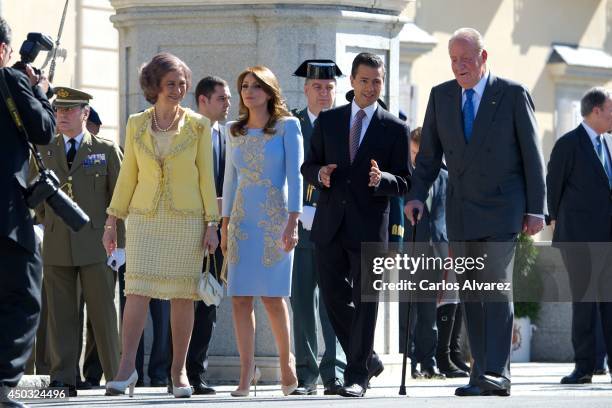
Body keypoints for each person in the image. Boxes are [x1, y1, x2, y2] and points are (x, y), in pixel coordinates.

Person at [404, 27, 546, 397]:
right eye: (453, 60)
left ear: (484, 58)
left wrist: (536, 209)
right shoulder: (441, 96)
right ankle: (480, 372)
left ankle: (497, 372)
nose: (459, 67)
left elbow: (533, 157)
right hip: (462, 210)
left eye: (466, 59)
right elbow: (429, 158)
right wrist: (416, 196)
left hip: (504, 208)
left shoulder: (511, 94)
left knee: (495, 288)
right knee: (470, 291)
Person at [103, 52, 219, 399]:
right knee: (136, 292)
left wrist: (212, 223)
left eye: (182, 83)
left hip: (185, 220)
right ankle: (126, 368)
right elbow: (127, 176)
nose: (178, 89)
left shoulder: (199, 125)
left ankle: (178, 371)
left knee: (183, 296)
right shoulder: (136, 122)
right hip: (143, 219)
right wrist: (112, 221)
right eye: (171, 84)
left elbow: (205, 178)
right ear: (154, 86)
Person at [301, 52, 410, 398]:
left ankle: (357, 375)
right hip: (330, 224)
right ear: (351, 81)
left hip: (369, 228)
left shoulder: (395, 128)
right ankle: (367, 358)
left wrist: (384, 180)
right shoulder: (329, 121)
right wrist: (320, 175)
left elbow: (406, 181)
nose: (370, 87)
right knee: (333, 298)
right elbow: (308, 166)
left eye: (376, 81)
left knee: (367, 301)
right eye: (364, 80)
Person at [221, 65, 302, 397]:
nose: (249, 91)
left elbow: (296, 177)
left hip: (274, 220)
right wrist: (224, 225)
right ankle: (245, 374)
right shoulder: (233, 130)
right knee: (239, 299)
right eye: (244, 86)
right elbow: (229, 180)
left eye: (256, 85)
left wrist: (293, 221)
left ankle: (287, 366)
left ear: (269, 91)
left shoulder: (287, 126)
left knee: (273, 297)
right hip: (241, 222)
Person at [36, 87, 123, 397]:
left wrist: (121, 245)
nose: (62, 115)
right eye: (58, 110)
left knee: (103, 314)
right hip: (58, 244)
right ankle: (63, 377)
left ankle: (116, 375)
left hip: (97, 244)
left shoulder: (105, 149)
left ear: (85, 113)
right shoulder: (44, 150)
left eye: (69, 110)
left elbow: (120, 201)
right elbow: (35, 200)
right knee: (61, 316)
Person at [0, 16, 55, 407]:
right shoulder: (11, 80)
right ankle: (3, 383)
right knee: (23, 295)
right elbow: (43, 130)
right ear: (3, 50)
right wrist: (40, 92)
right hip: (6, 216)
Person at [547, 87, 612, 385]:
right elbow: (554, 186)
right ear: (596, 111)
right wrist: (553, 220)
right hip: (580, 239)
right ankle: (584, 367)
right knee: (585, 306)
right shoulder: (568, 144)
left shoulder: (609, 144)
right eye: (610, 110)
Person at [289, 60, 346, 396]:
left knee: (333, 301)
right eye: (317, 87)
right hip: (299, 225)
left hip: (334, 224)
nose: (324, 93)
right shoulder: (292, 125)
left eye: (329, 88)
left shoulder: (345, 123)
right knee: (301, 302)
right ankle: (306, 374)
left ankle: (333, 372)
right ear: (306, 89)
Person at [186, 75, 231, 395]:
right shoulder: (188, 133)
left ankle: (196, 372)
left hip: (217, 236)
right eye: (222, 98)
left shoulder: (227, 136)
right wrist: (207, 223)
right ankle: (173, 370)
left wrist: (218, 227)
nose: (229, 103)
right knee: (181, 303)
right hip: (189, 230)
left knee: (208, 302)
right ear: (203, 100)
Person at [400, 127, 449, 380]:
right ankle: (409, 363)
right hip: (408, 249)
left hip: (435, 251)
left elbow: (446, 219)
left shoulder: (443, 176)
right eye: (415, 153)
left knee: (429, 313)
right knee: (408, 310)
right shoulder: (403, 177)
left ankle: (428, 363)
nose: (419, 159)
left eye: (423, 153)